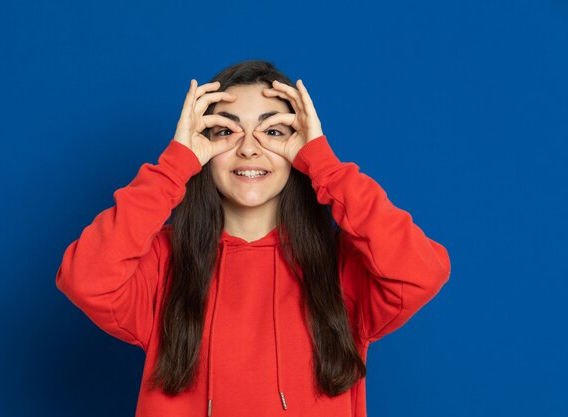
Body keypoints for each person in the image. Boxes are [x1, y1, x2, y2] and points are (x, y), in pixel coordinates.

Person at [55, 60, 451, 417]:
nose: (248, 148)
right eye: (224, 131)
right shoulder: (162, 263)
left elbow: (421, 271)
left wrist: (326, 168)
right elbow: (84, 279)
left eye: (273, 131)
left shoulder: (343, 268)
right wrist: (174, 165)